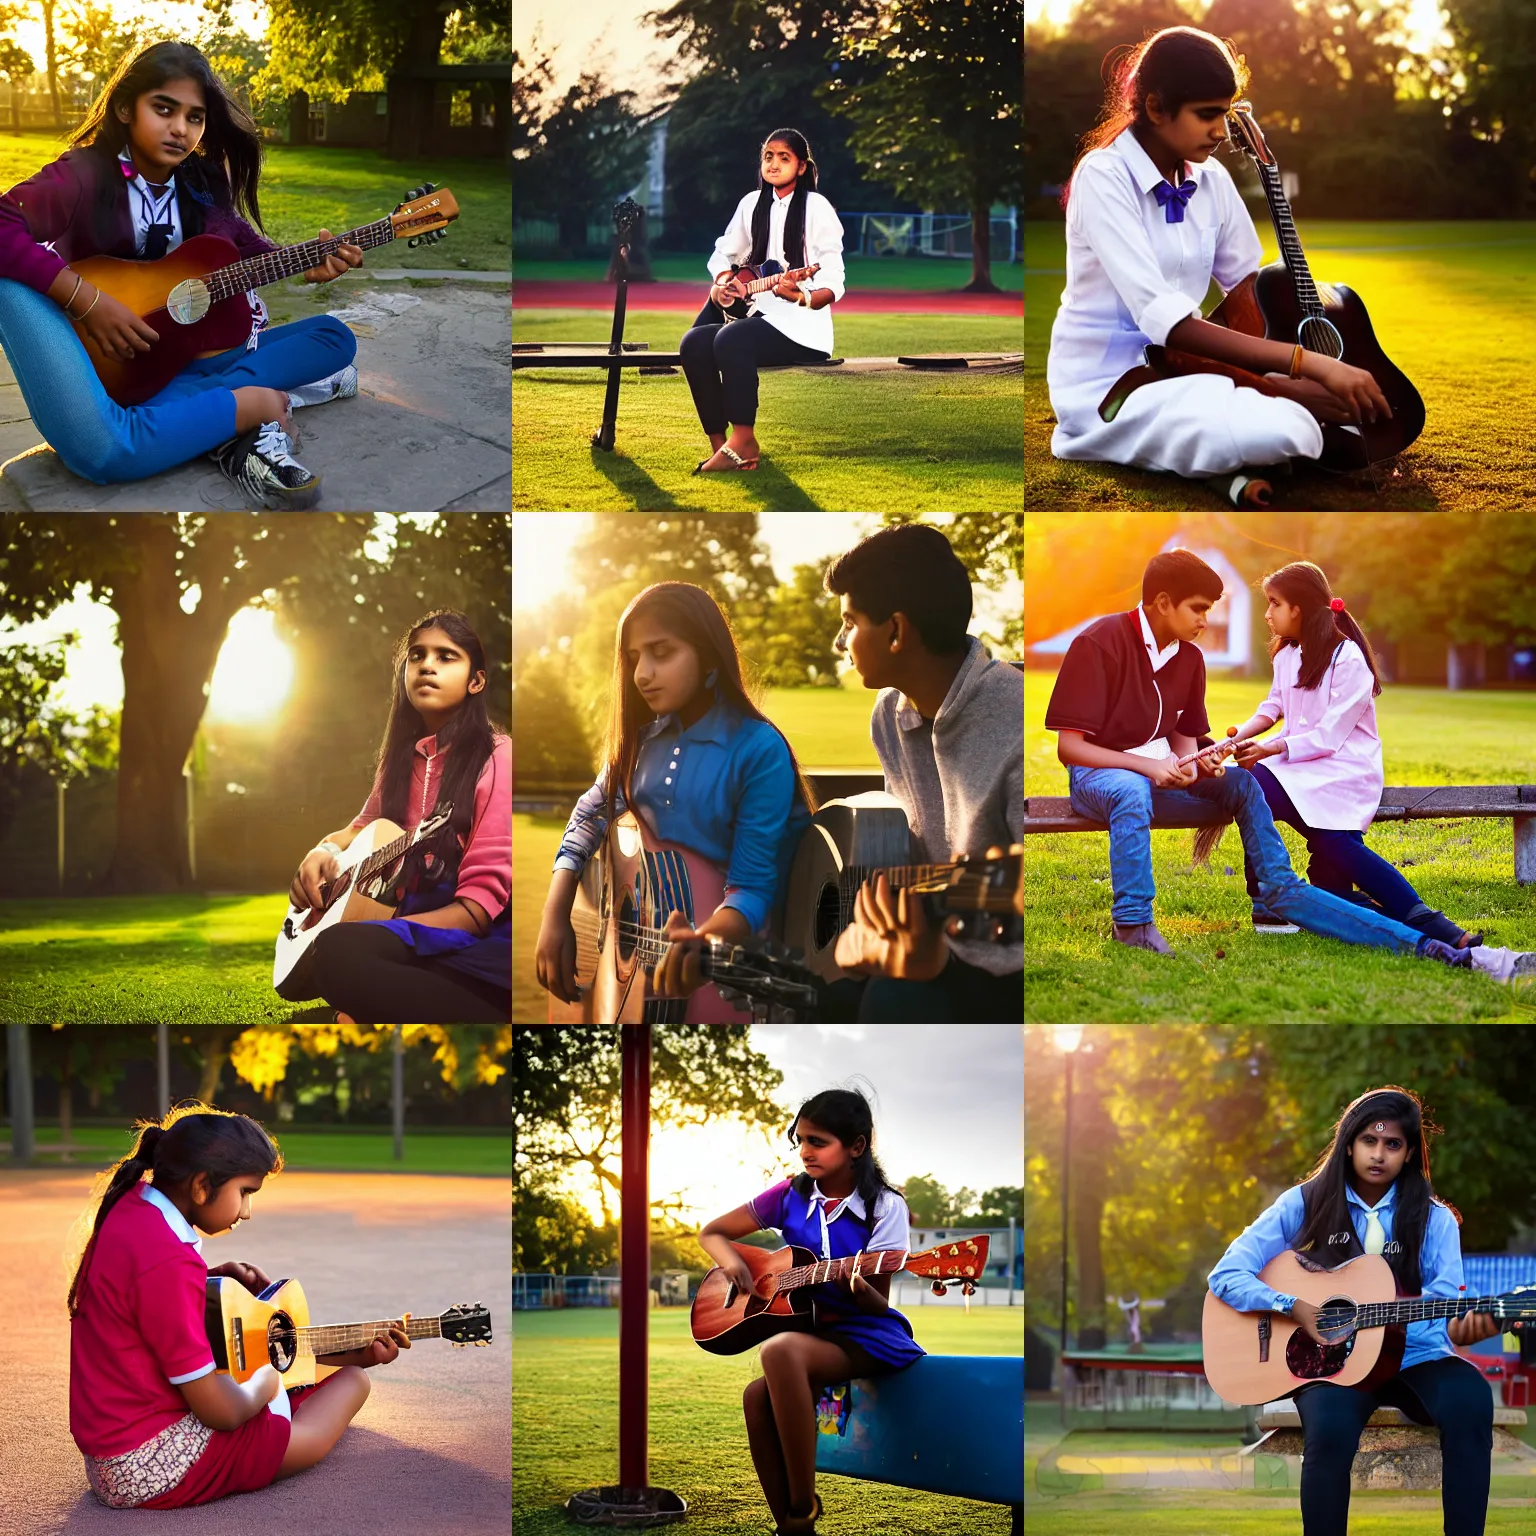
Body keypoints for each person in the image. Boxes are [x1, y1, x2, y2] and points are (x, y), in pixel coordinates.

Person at [1045, 547, 1535, 981]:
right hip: (1103, 778)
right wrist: (1155, 767)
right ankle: (1133, 924)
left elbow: (1183, 737)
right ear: (1161, 603)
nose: (1205, 620)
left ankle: (1278, 899)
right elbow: (1072, 748)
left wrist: (1198, 761)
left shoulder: (1195, 659)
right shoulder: (1098, 643)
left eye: (1212, 610)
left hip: (1326, 772)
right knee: (1139, 790)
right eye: (1199, 609)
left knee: (1247, 786)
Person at [0, 41, 362, 508]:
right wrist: (86, 300)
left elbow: (240, 244)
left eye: (194, 117)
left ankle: (190, 414)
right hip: (112, 361)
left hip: (176, 359)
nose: (180, 129)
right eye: (164, 109)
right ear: (127, 107)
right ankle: (243, 409)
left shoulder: (201, 180)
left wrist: (305, 259)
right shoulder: (83, 174)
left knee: (334, 338)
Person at [1046, 27, 1391, 495]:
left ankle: (1228, 457)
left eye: (1225, 114)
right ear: (1155, 107)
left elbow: (1253, 291)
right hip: (1110, 385)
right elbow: (1167, 324)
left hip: (1189, 370)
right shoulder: (1103, 177)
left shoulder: (1211, 179)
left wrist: (1283, 373)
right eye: (1206, 115)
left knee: (1303, 418)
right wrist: (1303, 368)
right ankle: (1130, 441)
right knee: (1289, 429)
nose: (1220, 130)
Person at [67, 1105, 410, 1510]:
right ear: (200, 1186)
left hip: (111, 1451)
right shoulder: (169, 1259)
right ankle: (317, 1385)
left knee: (291, 1375)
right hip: (150, 1464)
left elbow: (139, 1294)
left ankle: (335, 1364)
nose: (246, 1210)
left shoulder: (134, 1206)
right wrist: (264, 1386)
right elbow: (222, 1413)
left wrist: (207, 1278)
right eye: (245, 1192)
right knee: (351, 1383)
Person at [1208, 1087, 1496, 1536]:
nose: (1379, 1154)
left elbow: (1447, 1307)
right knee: (1329, 1431)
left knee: (1472, 1401)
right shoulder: (1303, 1202)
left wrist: (1470, 1323)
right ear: (1348, 1144)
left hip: (1415, 1357)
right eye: (1369, 1141)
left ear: (1409, 1153)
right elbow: (1226, 1275)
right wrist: (1291, 1305)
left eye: (1393, 1144)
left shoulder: (1435, 1219)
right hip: (1331, 1362)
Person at [535, 581, 814, 1021]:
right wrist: (556, 913)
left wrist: (706, 944)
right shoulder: (638, 745)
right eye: (633, 659)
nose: (641, 674)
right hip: (640, 980)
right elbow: (589, 813)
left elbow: (753, 887)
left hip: (735, 978)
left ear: (708, 658)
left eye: (661, 653)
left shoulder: (759, 749)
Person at [819, 523, 1023, 1022]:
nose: (840, 641)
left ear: (895, 631)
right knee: (805, 998)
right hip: (932, 946)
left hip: (1009, 974)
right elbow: (906, 848)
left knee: (890, 1003)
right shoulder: (889, 715)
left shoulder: (1016, 721)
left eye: (849, 622)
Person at [698, 1088, 924, 1536]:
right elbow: (713, 1233)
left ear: (857, 1146)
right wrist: (735, 1265)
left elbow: (878, 1303)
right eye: (799, 1140)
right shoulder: (790, 1196)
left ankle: (803, 1508)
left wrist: (856, 1285)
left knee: (779, 1352)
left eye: (818, 1141)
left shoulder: (886, 1207)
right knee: (754, 1397)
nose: (805, 1152)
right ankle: (791, 1529)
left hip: (867, 1335)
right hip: (813, 1334)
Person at [1218, 559, 1480, 945]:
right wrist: (1235, 739)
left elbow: (1328, 737)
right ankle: (1270, 901)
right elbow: (1272, 706)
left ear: (1299, 609)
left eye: (1274, 603)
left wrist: (1268, 748)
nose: (1267, 613)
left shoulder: (1349, 659)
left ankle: (1437, 929)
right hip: (1299, 767)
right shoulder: (1287, 655)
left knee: (1285, 811)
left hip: (1342, 771)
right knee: (1265, 795)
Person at [282, 609, 511, 1023]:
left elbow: (477, 912)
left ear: (476, 681)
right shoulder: (400, 763)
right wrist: (323, 849)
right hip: (397, 940)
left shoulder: (497, 758)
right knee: (306, 1012)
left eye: (446, 656)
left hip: (469, 947)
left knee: (338, 954)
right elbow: (360, 828)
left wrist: (375, 938)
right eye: (417, 656)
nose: (427, 665)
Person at [679, 128, 845, 473]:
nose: (773, 163)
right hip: (758, 315)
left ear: (801, 167)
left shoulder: (817, 208)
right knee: (694, 342)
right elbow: (723, 253)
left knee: (731, 337)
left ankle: (744, 440)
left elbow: (833, 281)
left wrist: (802, 294)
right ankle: (721, 447)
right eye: (768, 156)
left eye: (784, 157)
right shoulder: (751, 203)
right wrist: (724, 281)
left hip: (803, 329)